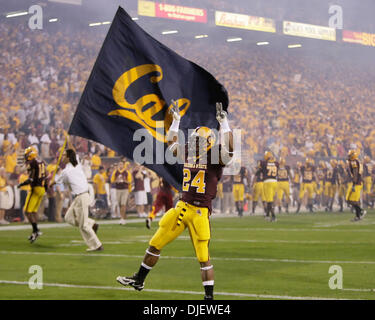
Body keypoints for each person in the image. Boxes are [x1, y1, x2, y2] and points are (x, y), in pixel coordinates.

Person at [116, 102, 233, 300]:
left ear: (210, 142)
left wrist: (226, 124)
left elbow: (229, 150)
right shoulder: (189, 151)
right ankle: (139, 279)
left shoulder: (216, 157)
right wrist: (176, 122)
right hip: (181, 208)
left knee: (203, 258)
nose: (197, 142)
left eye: (201, 140)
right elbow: (171, 144)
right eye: (196, 139)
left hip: (199, 212)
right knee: (155, 243)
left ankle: (209, 298)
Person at [53, 137, 103, 251]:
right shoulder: (75, 165)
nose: (62, 157)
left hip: (82, 196)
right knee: (68, 218)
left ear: (68, 157)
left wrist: (68, 140)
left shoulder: (67, 170)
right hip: (79, 197)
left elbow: (57, 181)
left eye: (64, 155)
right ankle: (92, 223)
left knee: (83, 225)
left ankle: (96, 245)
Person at [17, 147, 46, 242]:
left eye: (26, 154)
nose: (25, 156)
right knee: (33, 211)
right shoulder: (41, 161)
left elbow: (31, 179)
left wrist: (21, 184)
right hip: (41, 189)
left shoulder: (32, 162)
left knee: (27, 211)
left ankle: (36, 230)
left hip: (35, 188)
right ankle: (35, 231)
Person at [258, 151, 278, 221]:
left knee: (269, 201)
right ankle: (267, 215)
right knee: (270, 200)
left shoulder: (263, 163)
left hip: (267, 182)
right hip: (275, 182)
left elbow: (259, 171)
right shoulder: (276, 163)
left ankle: (273, 216)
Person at [346, 150, 366, 222]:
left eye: (350, 155)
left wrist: (354, 184)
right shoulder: (356, 161)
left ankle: (360, 213)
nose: (349, 156)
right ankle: (359, 213)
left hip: (357, 183)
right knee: (349, 200)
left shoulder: (354, 162)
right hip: (357, 182)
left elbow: (355, 174)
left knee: (353, 201)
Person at [110, 160, 132, 224]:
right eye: (119, 164)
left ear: (123, 165)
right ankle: (123, 216)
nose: (120, 166)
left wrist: (124, 180)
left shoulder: (126, 172)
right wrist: (117, 180)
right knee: (119, 204)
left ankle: (122, 218)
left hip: (125, 189)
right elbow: (112, 181)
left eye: (121, 164)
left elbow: (130, 182)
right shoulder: (115, 172)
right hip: (118, 189)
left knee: (123, 204)